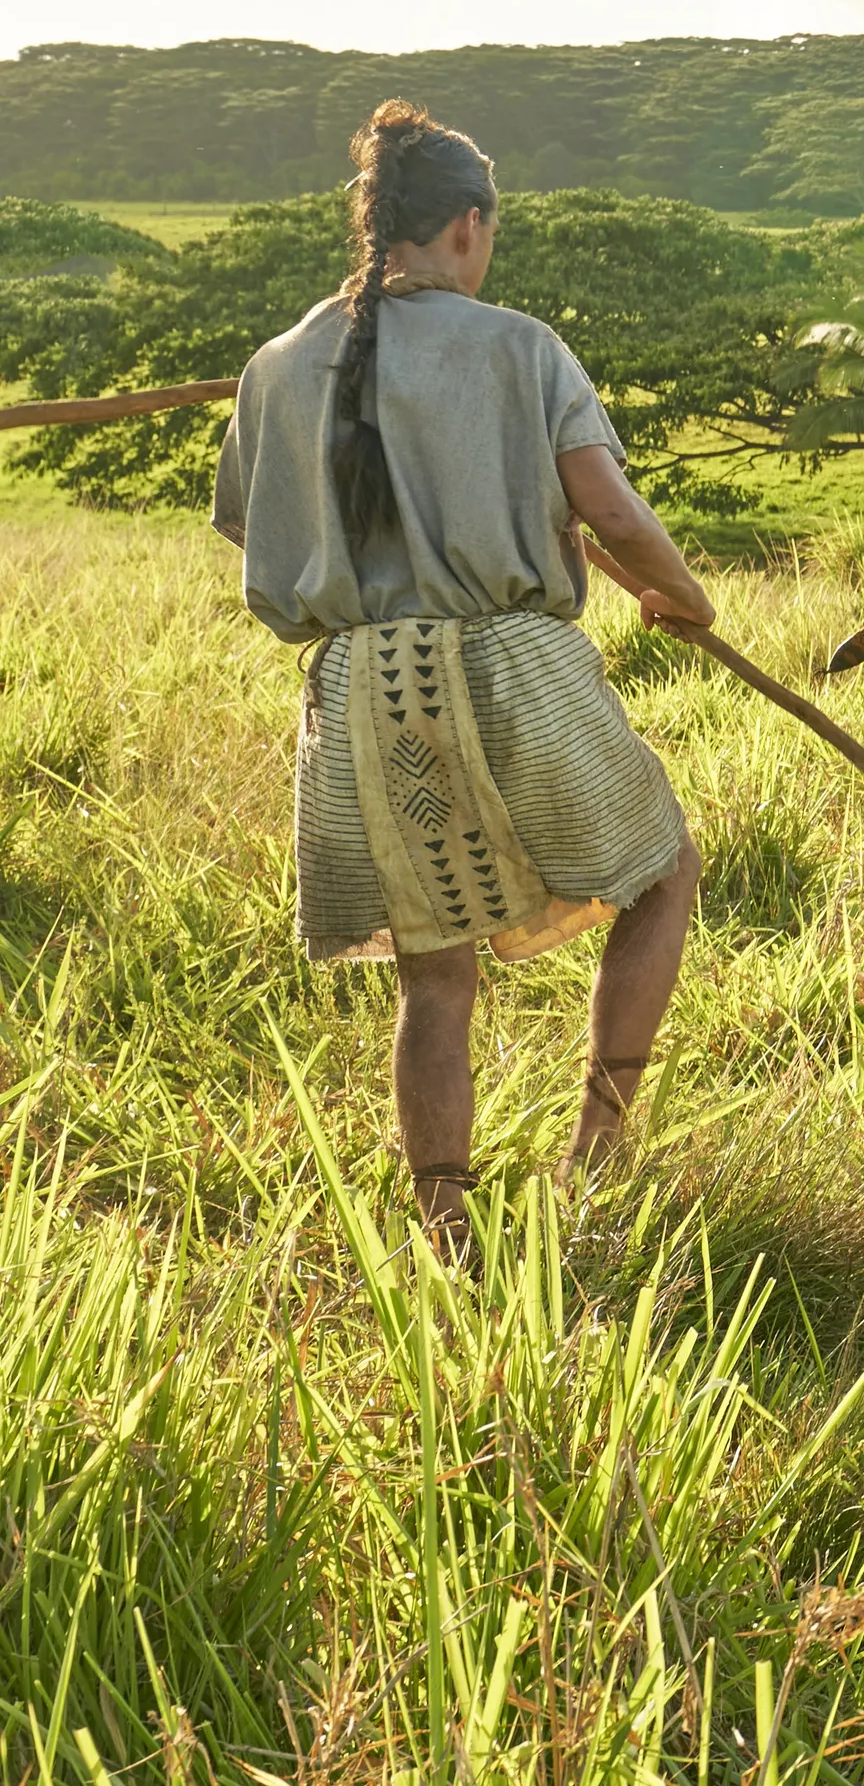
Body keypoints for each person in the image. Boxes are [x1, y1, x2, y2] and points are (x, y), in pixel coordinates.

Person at [212, 102, 710, 1257]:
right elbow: (612, 511)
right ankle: (598, 1152)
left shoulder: (277, 365)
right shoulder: (518, 345)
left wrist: (372, 564)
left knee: (432, 982)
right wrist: (684, 596)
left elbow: (257, 535)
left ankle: (444, 1230)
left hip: (354, 687)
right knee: (665, 868)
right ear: (471, 226)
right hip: (510, 660)